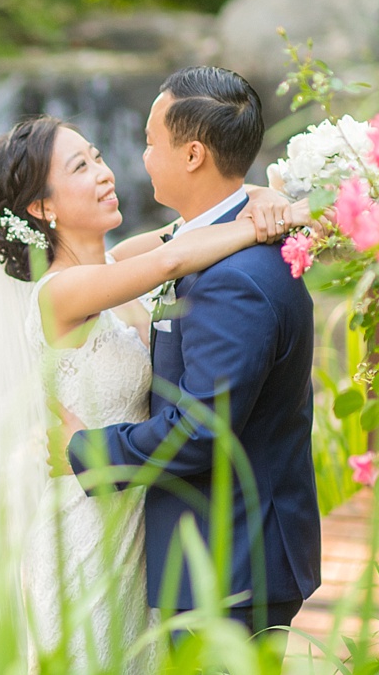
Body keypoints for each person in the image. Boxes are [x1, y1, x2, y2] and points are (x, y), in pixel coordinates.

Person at [0, 105, 304, 675]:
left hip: (142, 520)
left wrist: (259, 196)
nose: (104, 172)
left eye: (97, 155)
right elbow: (176, 260)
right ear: (45, 207)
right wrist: (261, 227)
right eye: (79, 167)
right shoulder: (59, 293)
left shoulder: (116, 267)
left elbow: (194, 228)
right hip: (83, 523)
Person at [65, 66, 321, 636]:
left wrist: (85, 449)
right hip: (211, 549)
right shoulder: (209, 243)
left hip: (230, 559)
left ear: (193, 154)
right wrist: (263, 195)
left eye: (152, 142)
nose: (143, 158)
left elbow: (200, 429)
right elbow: (164, 256)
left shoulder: (232, 277)